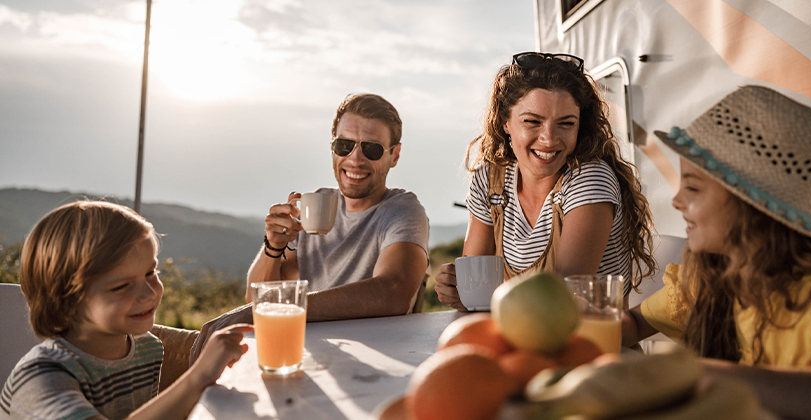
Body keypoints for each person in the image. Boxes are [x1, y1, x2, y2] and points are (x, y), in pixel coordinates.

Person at [623, 85, 811, 419]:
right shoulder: (711, 279)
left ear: (751, 207)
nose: (677, 201)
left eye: (692, 187)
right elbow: (635, 322)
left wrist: (706, 375)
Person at [190, 93, 429, 360]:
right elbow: (256, 296)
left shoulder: (401, 210)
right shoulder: (315, 205)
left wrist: (272, 307)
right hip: (310, 356)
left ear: (394, 155)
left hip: (378, 361)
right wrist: (273, 247)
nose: (355, 159)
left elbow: (393, 293)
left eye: (371, 149)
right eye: (344, 145)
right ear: (332, 148)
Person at [434, 52, 655, 311]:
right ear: (505, 122)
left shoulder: (590, 179)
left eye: (566, 124)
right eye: (532, 122)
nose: (549, 139)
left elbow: (561, 298)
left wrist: (486, 297)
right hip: (514, 329)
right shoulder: (489, 180)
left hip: (587, 334)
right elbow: (475, 286)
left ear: (580, 126)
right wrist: (459, 290)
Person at [1, 201, 251, 420]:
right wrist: (197, 378)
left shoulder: (147, 348)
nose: (149, 293)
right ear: (66, 300)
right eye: (121, 286)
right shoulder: (42, 378)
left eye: (150, 273)